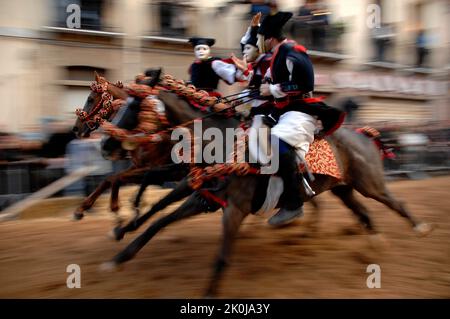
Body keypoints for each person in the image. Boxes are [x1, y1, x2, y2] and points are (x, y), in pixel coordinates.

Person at [255, 11, 344, 226]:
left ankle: (294, 204)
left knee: (274, 141)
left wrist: (273, 88)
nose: (259, 43)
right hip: (282, 112)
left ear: (269, 38)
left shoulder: (292, 51)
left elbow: (304, 85)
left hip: (301, 111)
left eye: (260, 39)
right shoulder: (276, 55)